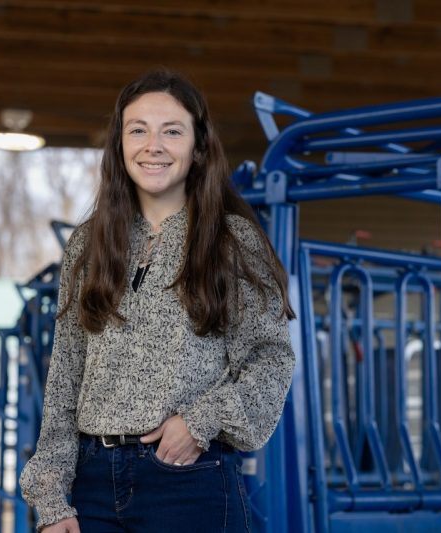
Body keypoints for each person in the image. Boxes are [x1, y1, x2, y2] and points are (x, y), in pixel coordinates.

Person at [19, 69, 296, 533]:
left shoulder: (232, 241)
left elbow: (271, 359)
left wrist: (200, 421)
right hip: (93, 486)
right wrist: (51, 498)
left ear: (198, 146)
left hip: (189, 482)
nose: (154, 145)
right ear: (120, 145)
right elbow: (65, 375)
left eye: (172, 131)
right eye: (138, 130)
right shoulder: (88, 246)